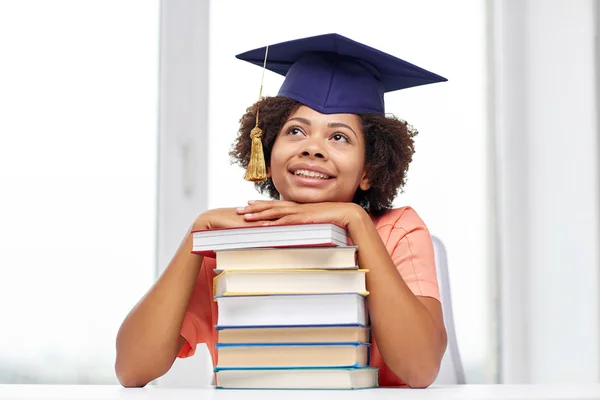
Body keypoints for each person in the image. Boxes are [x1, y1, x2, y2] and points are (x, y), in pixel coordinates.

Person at [115, 33, 448, 389]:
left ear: (369, 169)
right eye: (295, 131)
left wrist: (356, 222)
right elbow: (133, 369)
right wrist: (198, 233)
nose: (313, 149)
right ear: (267, 154)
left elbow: (420, 368)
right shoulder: (230, 245)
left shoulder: (398, 232)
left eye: (339, 137)